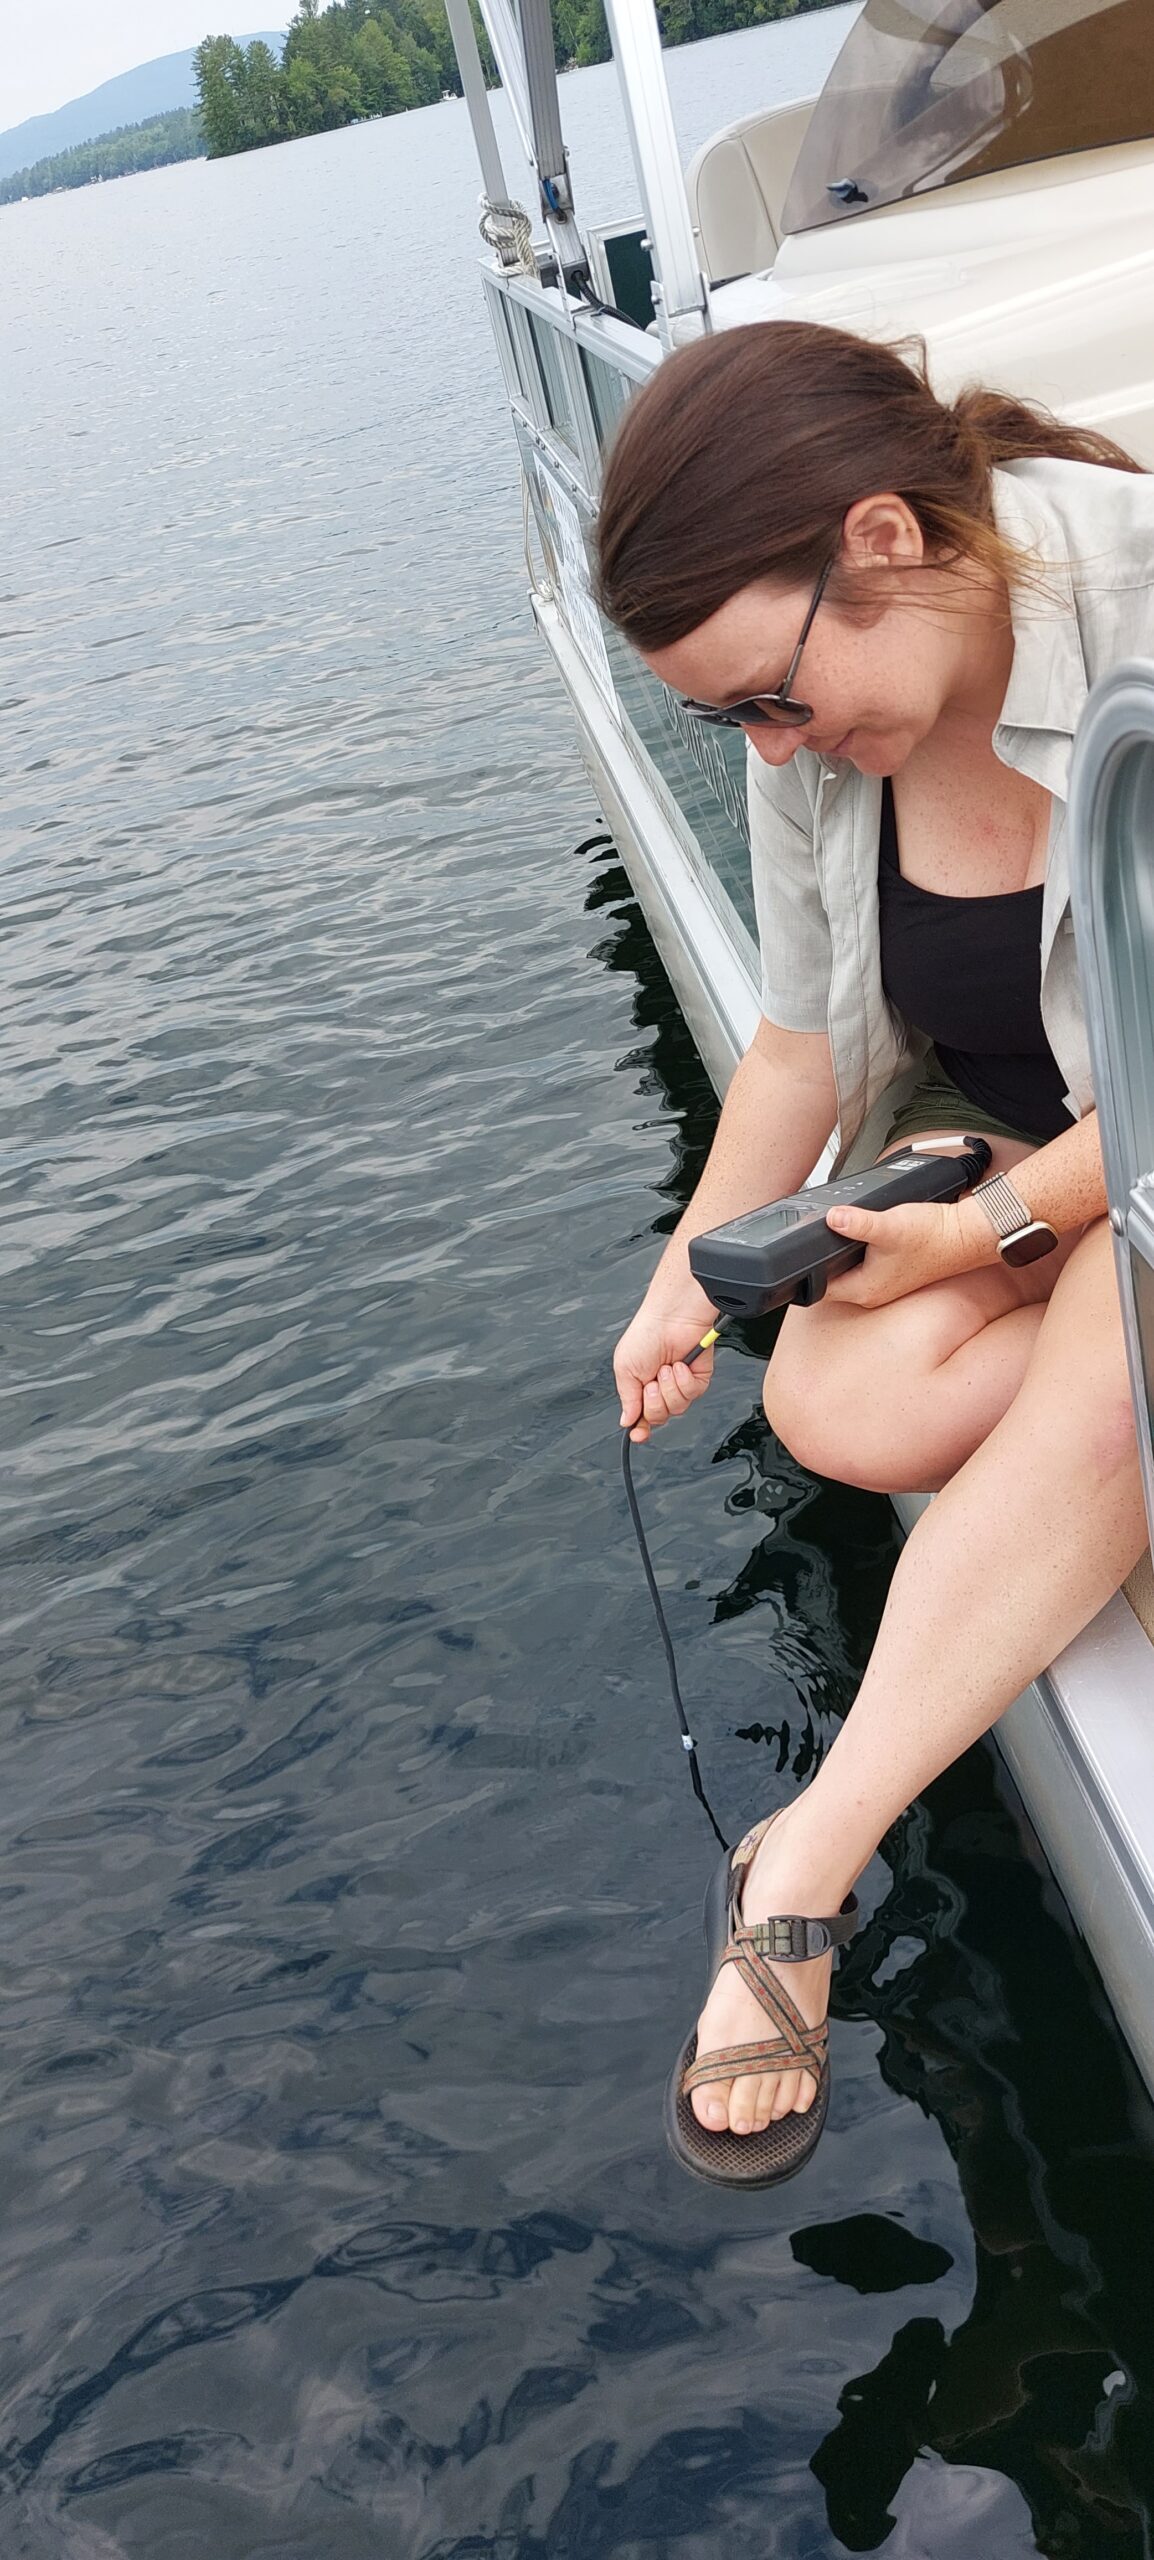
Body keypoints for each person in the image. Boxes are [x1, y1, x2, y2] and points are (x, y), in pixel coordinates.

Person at [595, 319, 1154, 2189]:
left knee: (1112, 1365)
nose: (774, 746)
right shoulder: (823, 719)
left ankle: (803, 1863)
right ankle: (1092, 1426)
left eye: (771, 696)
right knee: (833, 1398)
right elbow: (798, 1045)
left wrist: (994, 1233)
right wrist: (677, 1286)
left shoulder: (1141, 611)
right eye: (727, 724)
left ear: (886, 539)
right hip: (1028, 1141)